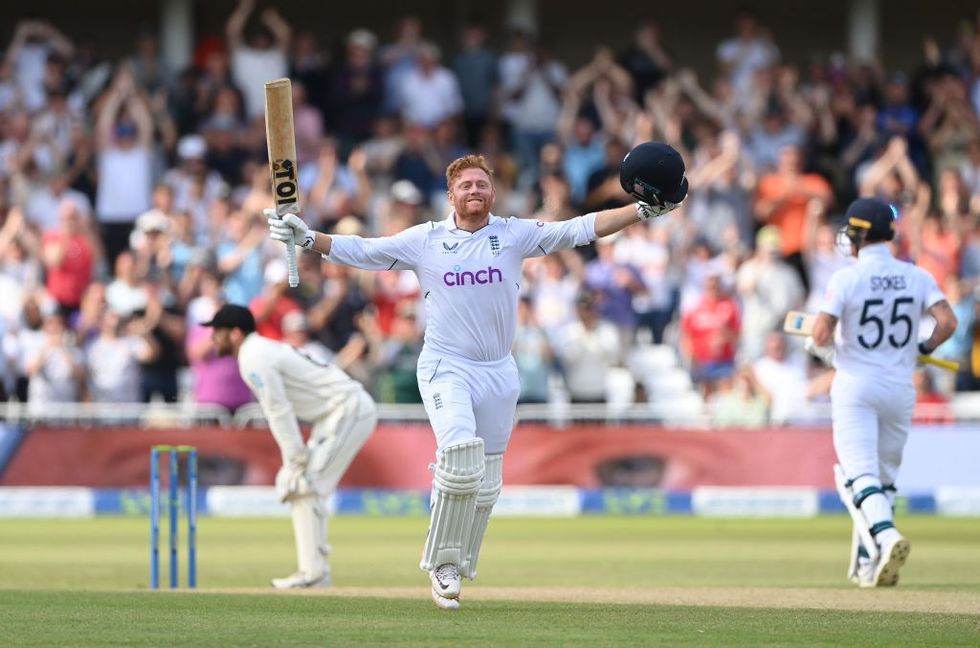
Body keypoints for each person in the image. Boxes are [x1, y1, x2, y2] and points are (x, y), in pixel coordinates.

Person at [267, 146, 686, 609]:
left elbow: (580, 229)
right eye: (465, 185)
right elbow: (365, 250)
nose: (474, 190)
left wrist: (641, 211)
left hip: (499, 372)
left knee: (486, 482)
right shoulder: (424, 239)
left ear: (493, 192)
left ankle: (463, 560)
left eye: (481, 184)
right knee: (459, 454)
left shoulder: (513, 235)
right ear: (450, 194)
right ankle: (441, 564)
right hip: (447, 366)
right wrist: (309, 239)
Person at [808, 197, 957, 588]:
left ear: (857, 235)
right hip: (900, 386)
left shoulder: (846, 278)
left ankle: (887, 536)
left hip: (856, 383)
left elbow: (821, 334)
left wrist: (819, 345)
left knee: (858, 476)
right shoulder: (917, 275)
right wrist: (923, 349)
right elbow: (948, 322)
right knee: (884, 480)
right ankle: (867, 560)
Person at [204, 303, 377, 589]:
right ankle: (315, 570)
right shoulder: (258, 351)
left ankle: (314, 573)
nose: (213, 339)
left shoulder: (254, 357)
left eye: (217, 332)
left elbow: (278, 410)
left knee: (304, 482)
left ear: (235, 333)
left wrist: (295, 457)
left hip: (349, 410)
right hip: (335, 415)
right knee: (298, 485)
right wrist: (295, 459)